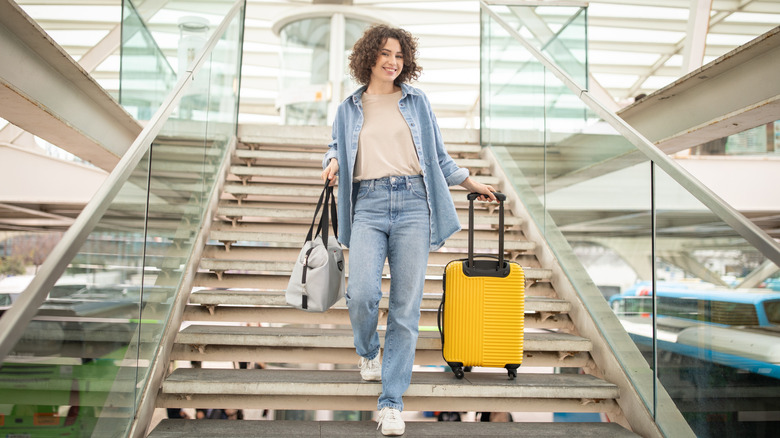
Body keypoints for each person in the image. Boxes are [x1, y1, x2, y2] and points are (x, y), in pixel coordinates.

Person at [321, 24, 496, 436]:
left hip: (415, 203)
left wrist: (470, 181)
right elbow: (336, 145)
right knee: (361, 292)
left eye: (399, 56)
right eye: (385, 54)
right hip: (367, 202)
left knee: (405, 308)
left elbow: (437, 155)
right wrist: (332, 162)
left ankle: (391, 402)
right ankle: (368, 352)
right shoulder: (349, 107)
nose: (392, 62)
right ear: (368, 58)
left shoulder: (417, 102)